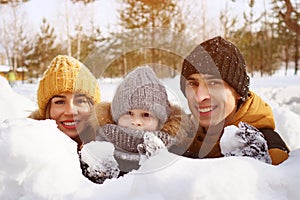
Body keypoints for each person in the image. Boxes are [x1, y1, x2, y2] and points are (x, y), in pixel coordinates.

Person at [180, 36, 290, 165]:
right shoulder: (178, 137)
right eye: (193, 84)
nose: (199, 97)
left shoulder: (268, 153)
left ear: (238, 92)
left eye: (214, 83)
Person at [84, 66, 190, 183]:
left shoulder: (174, 152)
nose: (136, 122)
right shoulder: (99, 147)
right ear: (114, 116)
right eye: (129, 113)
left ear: (161, 122)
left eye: (146, 115)